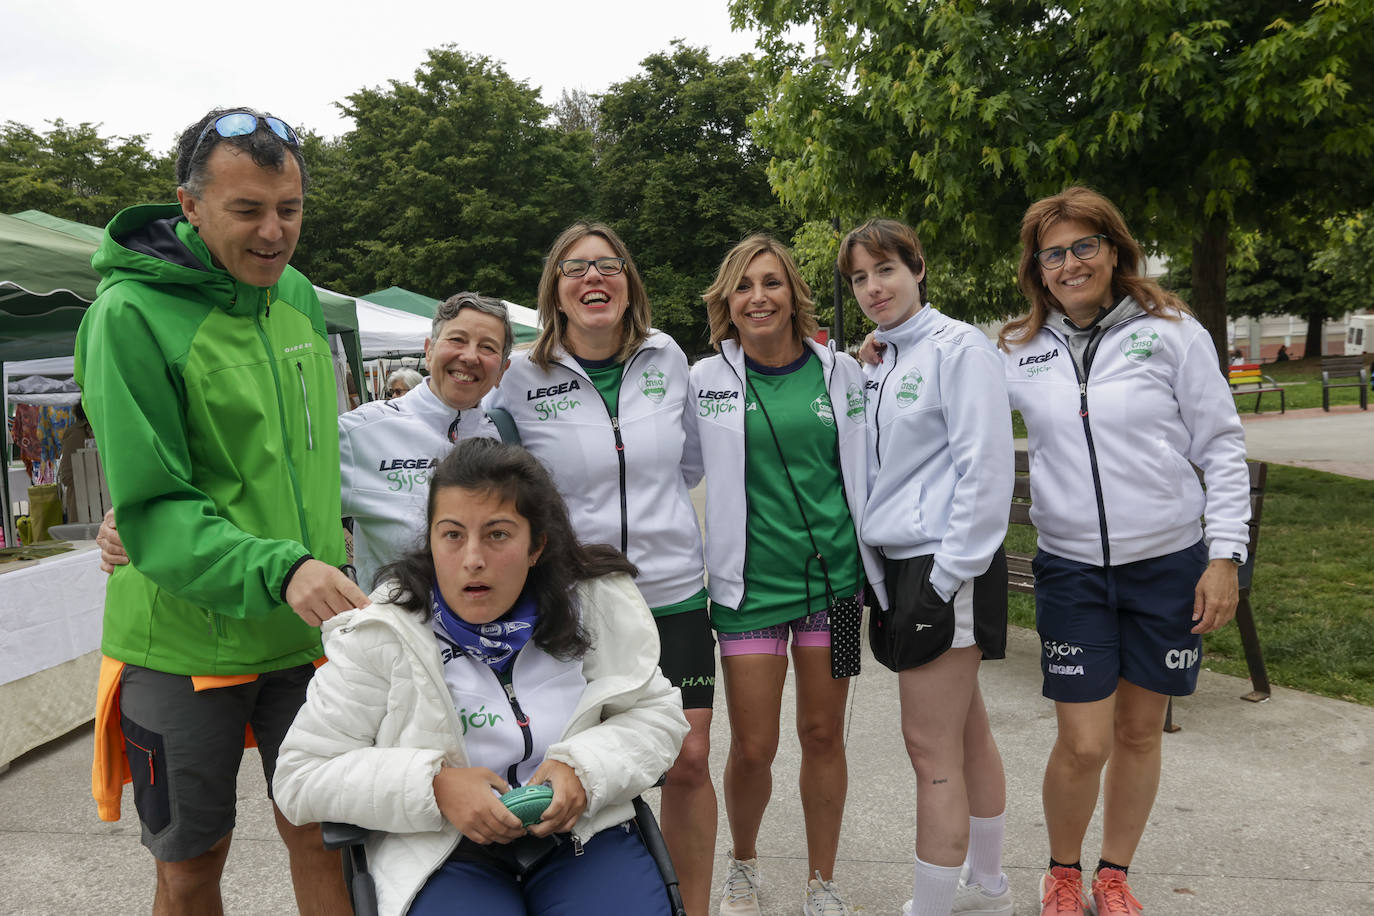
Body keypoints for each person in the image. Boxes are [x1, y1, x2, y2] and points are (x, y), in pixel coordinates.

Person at [74, 107, 368, 915]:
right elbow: (156, 504)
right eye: (248, 211)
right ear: (190, 205)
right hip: (180, 640)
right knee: (194, 862)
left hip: (304, 630)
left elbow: (312, 458)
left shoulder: (301, 297)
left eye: (291, 209)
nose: (274, 233)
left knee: (326, 839)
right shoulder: (128, 317)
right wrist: (282, 566)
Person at [273, 438, 689, 916]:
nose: (472, 558)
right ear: (430, 540)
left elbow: (659, 716)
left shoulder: (592, 607)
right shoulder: (383, 633)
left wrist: (585, 767)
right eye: (452, 535)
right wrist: (433, 787)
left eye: (497, 534)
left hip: (584, 833)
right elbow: (300, 776)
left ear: (536, 546)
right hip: (442, 848)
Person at [1000, 186, 1250, 916]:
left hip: (1168, 564)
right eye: (1054, 253)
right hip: (1072, 567)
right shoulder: (1017, 350)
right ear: (1037, 268)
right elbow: (946, 393)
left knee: (1140, 731)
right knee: (1083, 742)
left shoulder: (1171, 330)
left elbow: (1223, 449)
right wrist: (878, 353)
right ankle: (1062, 873)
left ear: (1114, 249)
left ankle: (1114, 874)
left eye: (1085, 246)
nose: (1071, 263)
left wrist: (1224, 556)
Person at [485, 221, 717, 916]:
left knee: (690, 760)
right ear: (554, 289)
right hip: (575, 602)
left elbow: (692, 461)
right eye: (576, 268)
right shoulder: (521, 377)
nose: (594, 278)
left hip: (671, 592)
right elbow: (486, 468)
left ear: (628, 282)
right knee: (584, 764)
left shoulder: (667, 354)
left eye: (608, 265)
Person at [692, 234, 885, 916]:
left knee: (825, 735)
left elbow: (872, 462)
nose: (758, 297)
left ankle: (821, 881)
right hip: (748, 597)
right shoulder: (705, 381)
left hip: (834, 592)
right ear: (728, 301)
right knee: (752, 745)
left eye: (771, 283)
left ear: (793, 293)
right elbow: (677, 470)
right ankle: (742, 865)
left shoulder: (841, 374)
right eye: (744, 286)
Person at [839, 219, 1015, 916]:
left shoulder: (960, 348)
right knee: (966, 730)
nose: (873, 288)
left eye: (885, 269)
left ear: (918, 267)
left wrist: (944, 583)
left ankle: (933, 907)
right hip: (900, 566)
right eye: (858, 277)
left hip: (946, 566)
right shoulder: (883, 359)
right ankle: (992, 887)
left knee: (927, 744)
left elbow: (985, 468)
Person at [341, 293, 512, 589]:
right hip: (394, 632)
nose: (470, 356)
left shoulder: (507, 438)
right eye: (457, 340)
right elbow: (292, 516)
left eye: (487, 347)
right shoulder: (361, 432)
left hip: (488, 629)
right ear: (429, 351)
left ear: (502, 371)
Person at [57, 401, 95, 521]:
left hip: (97, 506)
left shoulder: (106, 429)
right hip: (83, 506)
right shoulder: (76, 434)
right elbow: (67, 476)